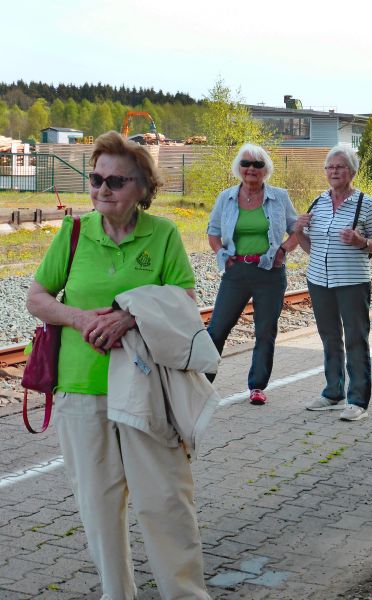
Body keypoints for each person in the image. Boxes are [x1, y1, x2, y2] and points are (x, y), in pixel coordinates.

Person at [26, 131, 211, 599]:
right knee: (99, 507)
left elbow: (185, 301)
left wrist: (130, 317)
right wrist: (76, 316)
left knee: (165, 502)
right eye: (96, 178)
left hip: (146, 390)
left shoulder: (164, 235)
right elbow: (37, 296)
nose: (102, 189)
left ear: (142, 189)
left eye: (116, 181)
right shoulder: (73, 234)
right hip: (80, 388)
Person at [293, 145, 372, 421]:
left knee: (356, 339)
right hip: (319, 281)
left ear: (352, 172)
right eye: (330, 167)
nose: (334, 171)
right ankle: (334, 393)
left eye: (340, 166)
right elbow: (312, 247)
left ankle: (358, 400)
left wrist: (362, 242)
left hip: (352, 282)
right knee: (329, 337)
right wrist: (298, 230)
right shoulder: (318, 202)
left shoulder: (364, 203)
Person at [206, 143, 298, 405]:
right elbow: (213, 232)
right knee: (217, 328)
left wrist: (283, 251)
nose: (251, 169)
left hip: (269, 272)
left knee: (265, 330)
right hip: (236, 271)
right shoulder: (226, 197)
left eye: (258, 165)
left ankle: (257, 386)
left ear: (265, 169)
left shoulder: (279, 196)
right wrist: (221, 254)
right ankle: (202, 383)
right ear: (239, 168)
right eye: (246, 164)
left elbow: (296, 230)